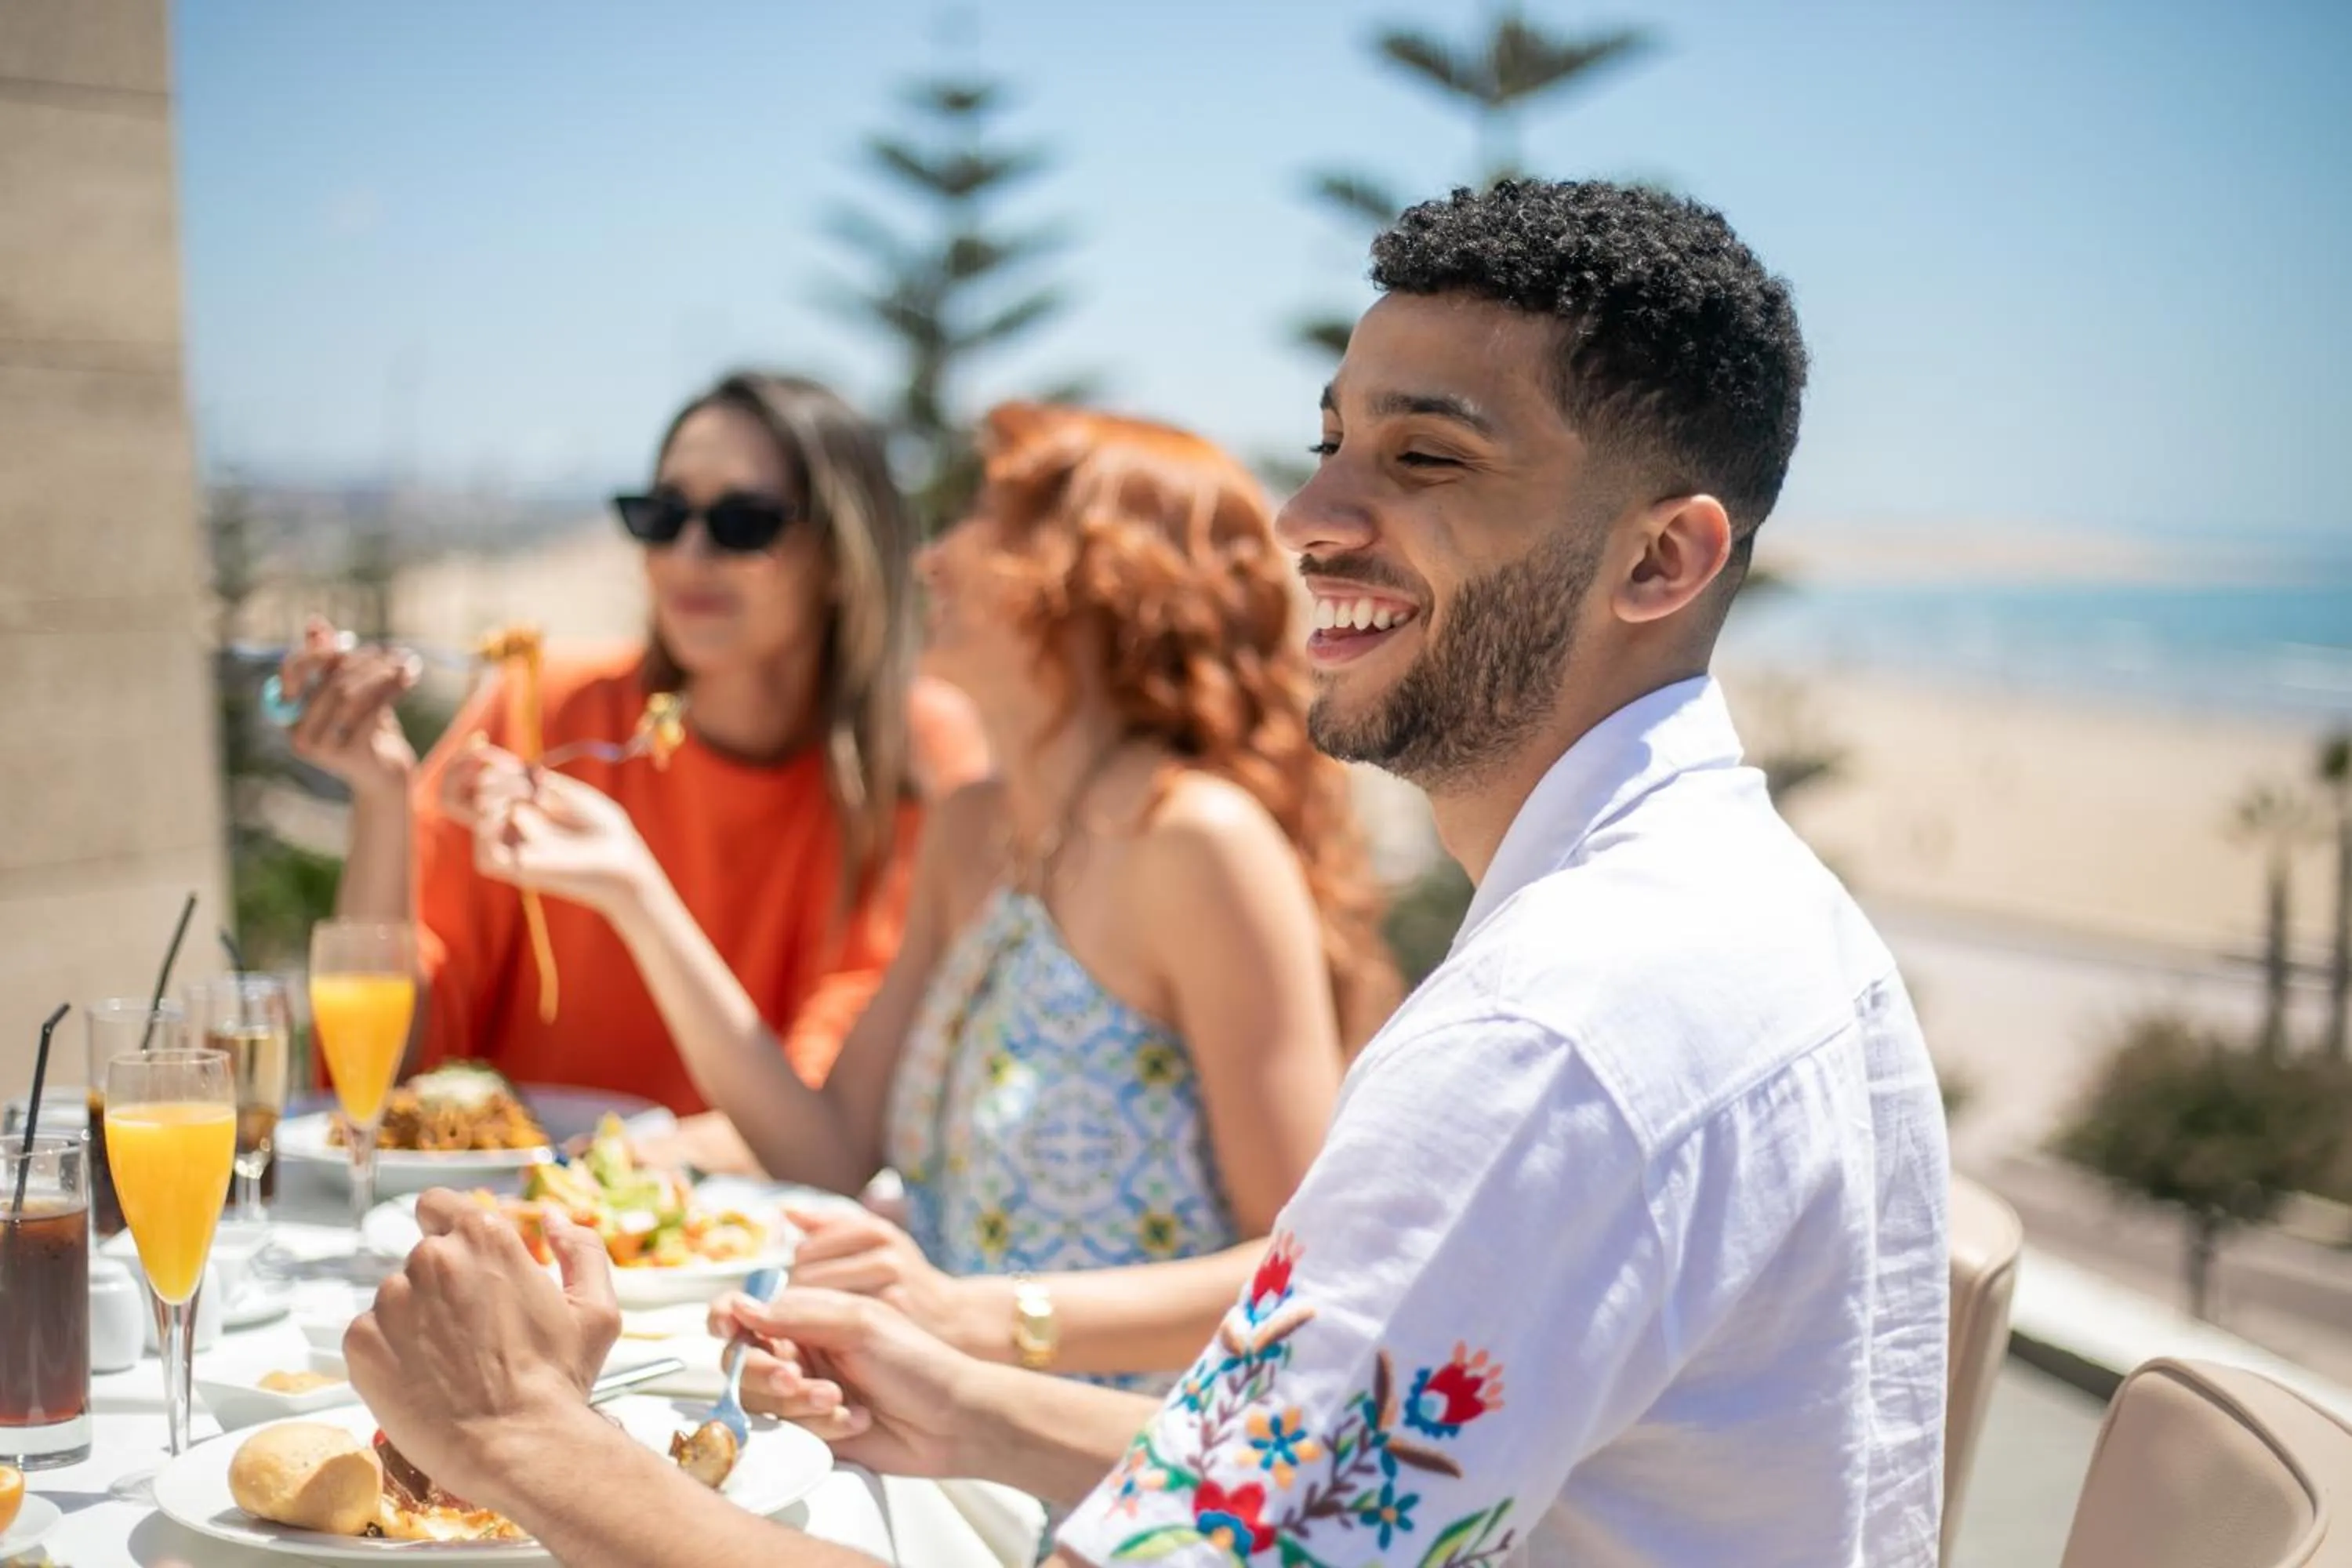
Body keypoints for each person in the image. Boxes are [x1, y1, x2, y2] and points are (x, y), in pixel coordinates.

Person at [346, 180, 1951, 1567]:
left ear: (1659, 560)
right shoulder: (1747, 912)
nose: (1310, 516)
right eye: (1331, 445)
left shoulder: (1552, 1041)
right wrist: (967, 1393)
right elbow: (1315, 1483)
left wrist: (521, 1436)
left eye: (1428, 460)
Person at [458, 401, 1399, 1381]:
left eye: (983, 521)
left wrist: (977, 1317)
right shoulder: (973, 829)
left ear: (1099, 579)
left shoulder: (1199, 842)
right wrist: (635, 892)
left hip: (1107, 1466)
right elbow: (827, 1145)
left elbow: (1300, 1265)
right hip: (939, 1415)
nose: (931, 560)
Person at [279, 372, 989, 1171]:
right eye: (661, 516)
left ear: (842, 556)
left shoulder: (919, 759)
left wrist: (608, 1168)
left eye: (741, 522)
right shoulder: (536, 712)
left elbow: (835, 1126)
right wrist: (381, 800)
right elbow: (376, 1075)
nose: (688, 554)